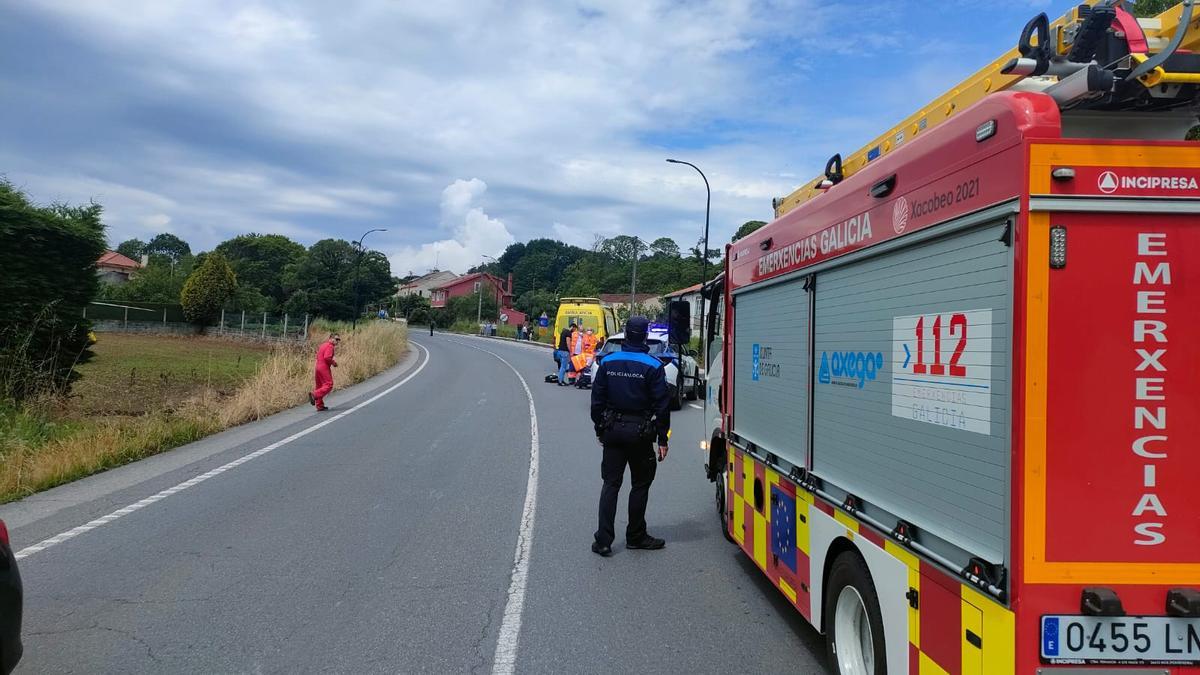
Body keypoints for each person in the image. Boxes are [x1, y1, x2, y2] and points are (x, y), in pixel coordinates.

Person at [589, 316, 670, 557]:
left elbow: (597, 402)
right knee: (640, 485)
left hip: (612, 431)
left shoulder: (608, 362)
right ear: (644, 336)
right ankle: (635, 536)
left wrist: (599, 429)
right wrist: (662, 439)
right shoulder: (654, 366)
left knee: (611, 484)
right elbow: (662, 407)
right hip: (641, 435)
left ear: (625, 335)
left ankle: (603, 540)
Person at [308, 333, 340, 412]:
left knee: (319, 386)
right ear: (331, 338)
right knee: (329, 385)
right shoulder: (330, 346)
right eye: (336, 339)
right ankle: (314, 395)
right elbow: (327, 357)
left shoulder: (323, 345)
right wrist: (333, 363)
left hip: (318, 367)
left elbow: (319, 355)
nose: (337, 341)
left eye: (339, 340)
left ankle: (319, 406)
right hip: (324, 367)